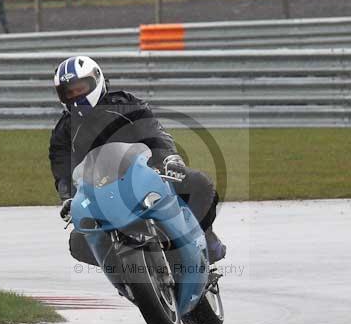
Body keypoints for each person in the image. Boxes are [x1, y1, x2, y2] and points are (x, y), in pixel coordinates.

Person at [48, 55, 227, 267]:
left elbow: (153, 131)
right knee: (78, 242)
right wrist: (68, 197)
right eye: (70, 92)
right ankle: (128, 276)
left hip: (146, 175)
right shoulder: (63, 130)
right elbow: (62, 167)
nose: (76, 95)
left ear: (96, 80)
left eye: (80, 88)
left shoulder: (124, 104)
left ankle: (203, 237)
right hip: (99, 192)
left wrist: (169, 157)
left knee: (200, 184)